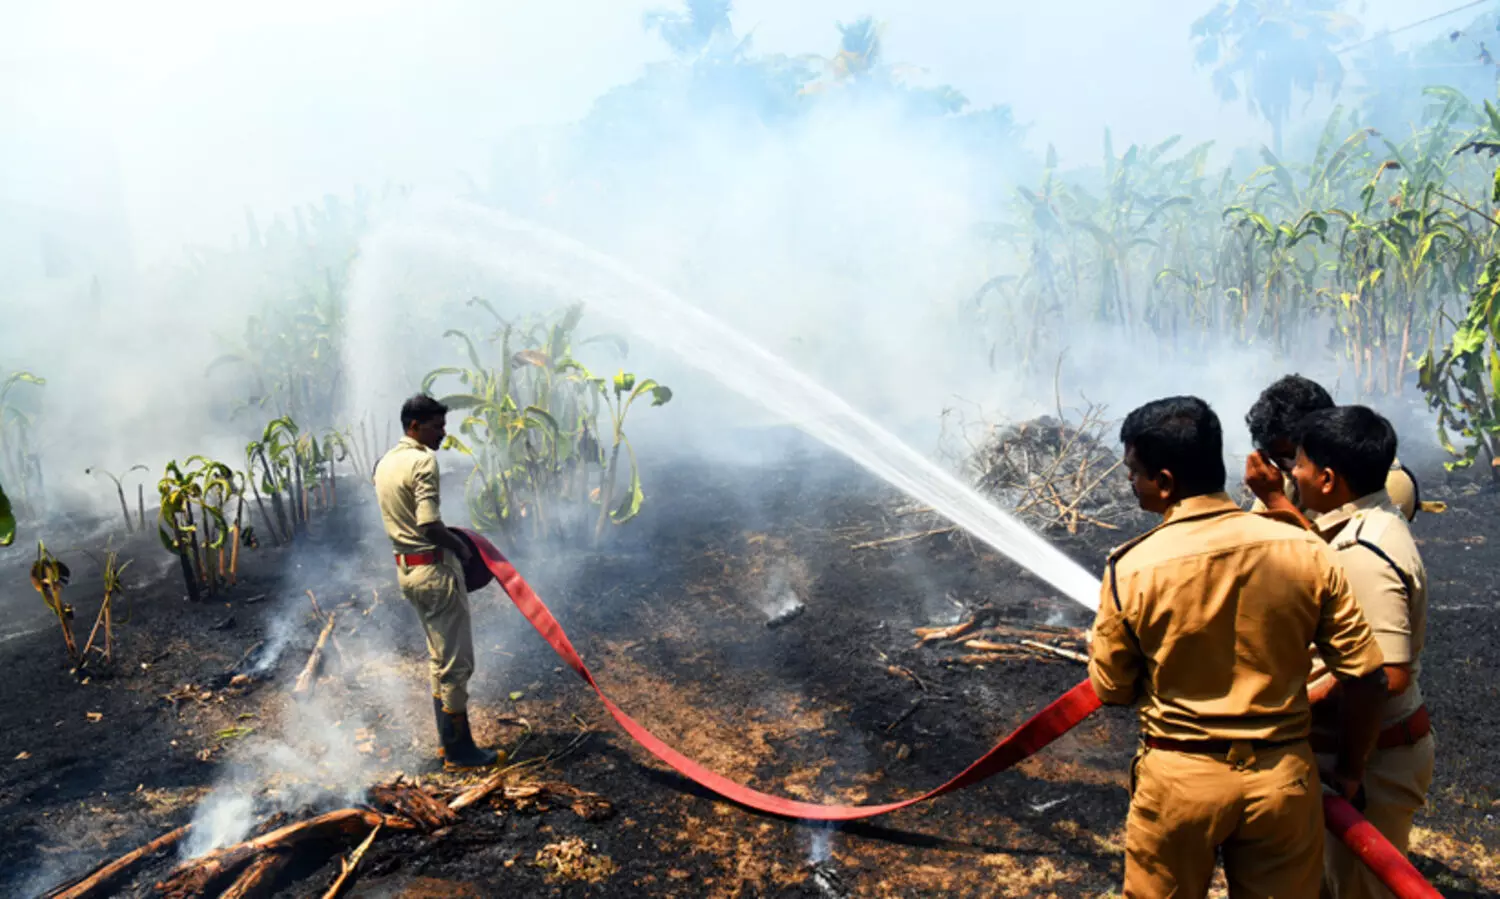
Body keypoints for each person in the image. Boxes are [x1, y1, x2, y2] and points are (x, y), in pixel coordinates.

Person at [1090, 395, 1390, 898]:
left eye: (1133, 473)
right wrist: (1352, 770)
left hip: (1179, 782)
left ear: (1165, 482)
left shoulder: (1132, 567)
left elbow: (1113, 689)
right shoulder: (1305, 549)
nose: (1130, 483)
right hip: (1283, 782)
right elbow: (1367, 676)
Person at [1283, 406, 1434, 899]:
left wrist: (1345, 767)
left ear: (1327, 479)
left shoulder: (1363, 555)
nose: (1292, 473)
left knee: (1359, 891)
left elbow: (1384, 675)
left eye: (1299, 464)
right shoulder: (1368, 519)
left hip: (1370, 765)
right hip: (1365, 752)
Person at [373, 394, 499, 769]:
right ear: (414, 426)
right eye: (436, 426)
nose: (443, 433)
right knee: (457, 665)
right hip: (434, 570)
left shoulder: (385, 463)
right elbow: (428, 523)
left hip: (407, 572)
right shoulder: (422, 461)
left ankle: (448, 745)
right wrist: (460, 546)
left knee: (437, 658)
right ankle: (461, 751)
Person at [1245, 374, 1421, 523]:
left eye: (1291, 455)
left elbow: (1333, 558)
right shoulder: (1287, 476)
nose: (1288, 469)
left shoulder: (1387, 483)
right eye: (1276, 459)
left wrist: (1276, 500)